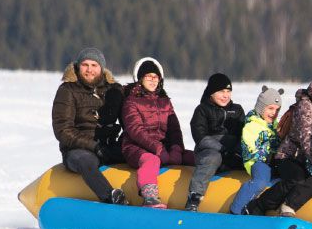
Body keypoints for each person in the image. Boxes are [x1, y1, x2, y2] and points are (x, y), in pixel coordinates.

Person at [246, 61, 312, 216]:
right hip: (290, 156)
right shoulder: (306, 104)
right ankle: (258, 206)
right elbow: (305, 138)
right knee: (297, 179)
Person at [51, 46, 127, 204]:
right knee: (86, 160)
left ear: (102, 68)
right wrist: (94, 146)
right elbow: (63, 130)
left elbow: (129, 120)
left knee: (139, 154)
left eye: (94, 65)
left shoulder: (114, 90)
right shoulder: (68, 90)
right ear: (78, 67)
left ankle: (151, 197)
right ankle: (110, 197)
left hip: (108, 147)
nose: (89, 70)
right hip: (78, 150)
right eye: (85, 65)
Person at [120, 57, 194, 208]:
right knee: (151, 160)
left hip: (163, 147)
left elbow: (174, 129)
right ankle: (150, 197)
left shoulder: (165, 101)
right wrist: (158, 149)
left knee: (192, 156)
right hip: (136, 147)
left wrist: (176, 148)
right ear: (140, 79)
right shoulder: (131, 101)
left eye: (156, 77)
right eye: (149, 77)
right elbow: (135, 130)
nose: (153, 80)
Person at [185, 73, 245, 212]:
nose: (225, 95)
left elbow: (243, 134)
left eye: (228, 91)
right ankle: (194, 196)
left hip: (232, 152)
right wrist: (222, 148)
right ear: (211, 92)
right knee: (213, 158)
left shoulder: (237, 110)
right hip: (208, 151)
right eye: (221, 91)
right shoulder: (202, 110)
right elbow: (200, 137)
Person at [229, 86, 283, 215]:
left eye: (277, 110)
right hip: (256, 162)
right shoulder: (252, 125)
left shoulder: (275, 126)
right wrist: (266, 156)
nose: (273, 113)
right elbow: (248, 148)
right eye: (270, 108)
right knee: (261, 181)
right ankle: (236, 209)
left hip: (272, 162)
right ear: (261, 107)